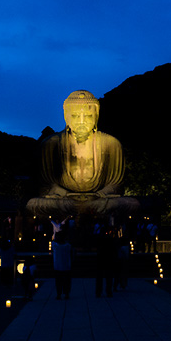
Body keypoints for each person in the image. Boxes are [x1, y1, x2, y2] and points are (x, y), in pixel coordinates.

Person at [26, 90, 139, 218]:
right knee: (33, 203)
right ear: (66, 116)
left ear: (96, 116)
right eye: (75, 116)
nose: (81, 121)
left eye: (88, 116)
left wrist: (100, 194)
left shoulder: (111, 144)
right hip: (65, 200)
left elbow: (116, 184)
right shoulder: (51, 144)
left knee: (131, 203)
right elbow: (46, 184)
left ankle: (83, 209)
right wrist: (63, 194)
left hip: (98, 199)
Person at [95, 226, 119, 297]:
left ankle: (99, 291)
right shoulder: (110, 239)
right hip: (108, 259)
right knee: (109, 277)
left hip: (101, 259)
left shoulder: (99, 239)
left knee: (100, 277)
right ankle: (108, 291)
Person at [52, 231, 73, 300]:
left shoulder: (54, 245)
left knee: (58, 281)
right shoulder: (68, 245)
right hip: (66, 266)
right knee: (66, 281)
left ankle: (59, 294)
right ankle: (66, 293)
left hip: (58, 266)